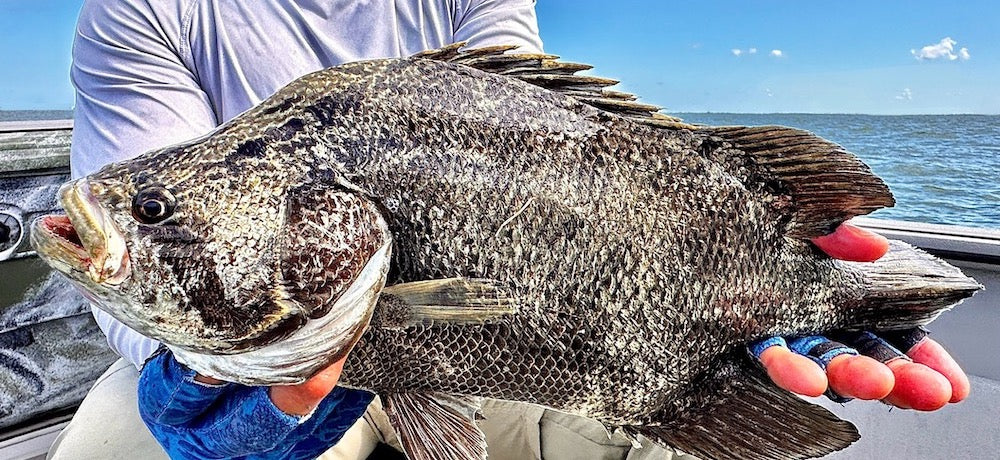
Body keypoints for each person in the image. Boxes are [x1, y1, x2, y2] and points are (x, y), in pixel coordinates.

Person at [47, 1, 969, 459]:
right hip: (250, 367)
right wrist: (227, 388)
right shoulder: (147, 12)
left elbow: (540, 138)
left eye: (156, 214)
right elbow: (149, 278)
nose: (139, 220)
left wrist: (721, 269)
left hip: (522, 347)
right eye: (157, 215)